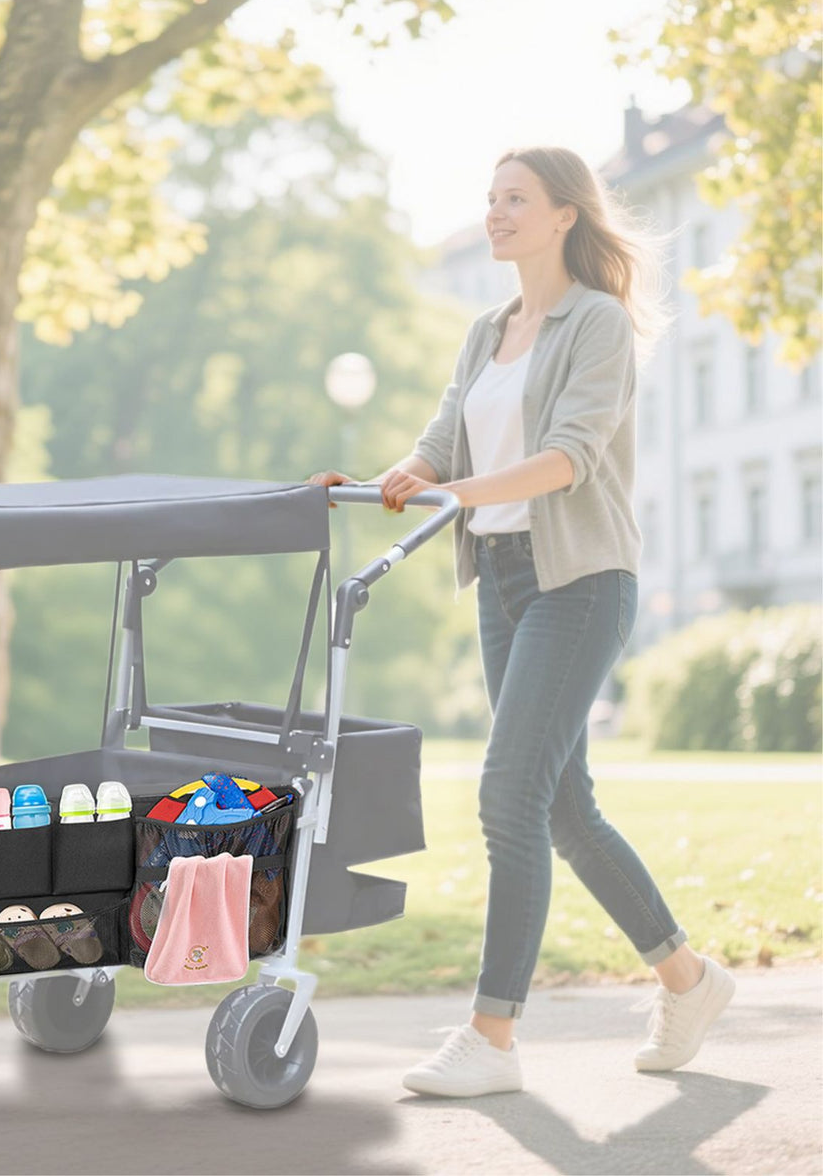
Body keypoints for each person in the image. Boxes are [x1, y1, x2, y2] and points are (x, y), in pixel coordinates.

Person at [307, 146, 734, 1098]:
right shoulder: (488, 328)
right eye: (490, 198)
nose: (496, 213)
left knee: (508, 797)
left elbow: (567, 458)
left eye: (515, 199)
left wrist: (455, 488)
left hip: (580, 580)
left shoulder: (597, 325)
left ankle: (491, 1038)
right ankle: (690, 981)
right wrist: (378, 480)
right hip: (501, 578)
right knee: (563, 806)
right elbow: (440, 443)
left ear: (563, 217)